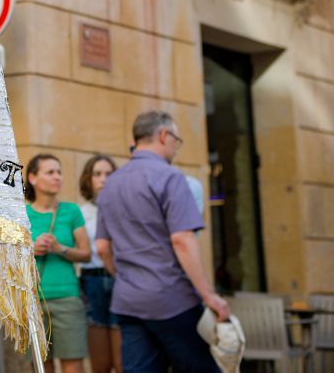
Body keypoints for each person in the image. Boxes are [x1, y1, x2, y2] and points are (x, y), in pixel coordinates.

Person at [97, 111, 231, 372]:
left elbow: (102, 247)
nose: (175, 149)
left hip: (128, 300)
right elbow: (182, 240)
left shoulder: (111, 184)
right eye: (176, 140)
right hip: (172, 299)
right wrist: (209, 295)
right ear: (163, 135)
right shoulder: (170, 177)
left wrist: (125, 278)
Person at [25, 154, 91, 373]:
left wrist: (59, 249)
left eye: (59, 172)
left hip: (67, 298)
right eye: (50, 172)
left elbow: (86, 254)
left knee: (73, 366)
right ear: (33, 178)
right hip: (33, 301)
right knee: (42, 367)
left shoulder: (71, 211)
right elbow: (8, 258)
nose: (57, 177)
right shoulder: (22, 214)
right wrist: (31, 250)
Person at [78, 155, 122, 373]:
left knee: (123, 361)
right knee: (101, 364)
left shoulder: (124, 208)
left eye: (108, 174)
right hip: (91, 282)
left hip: (120, 280)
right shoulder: (80, 212)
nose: (103, 179)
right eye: (97, 174)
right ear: (89, 178)